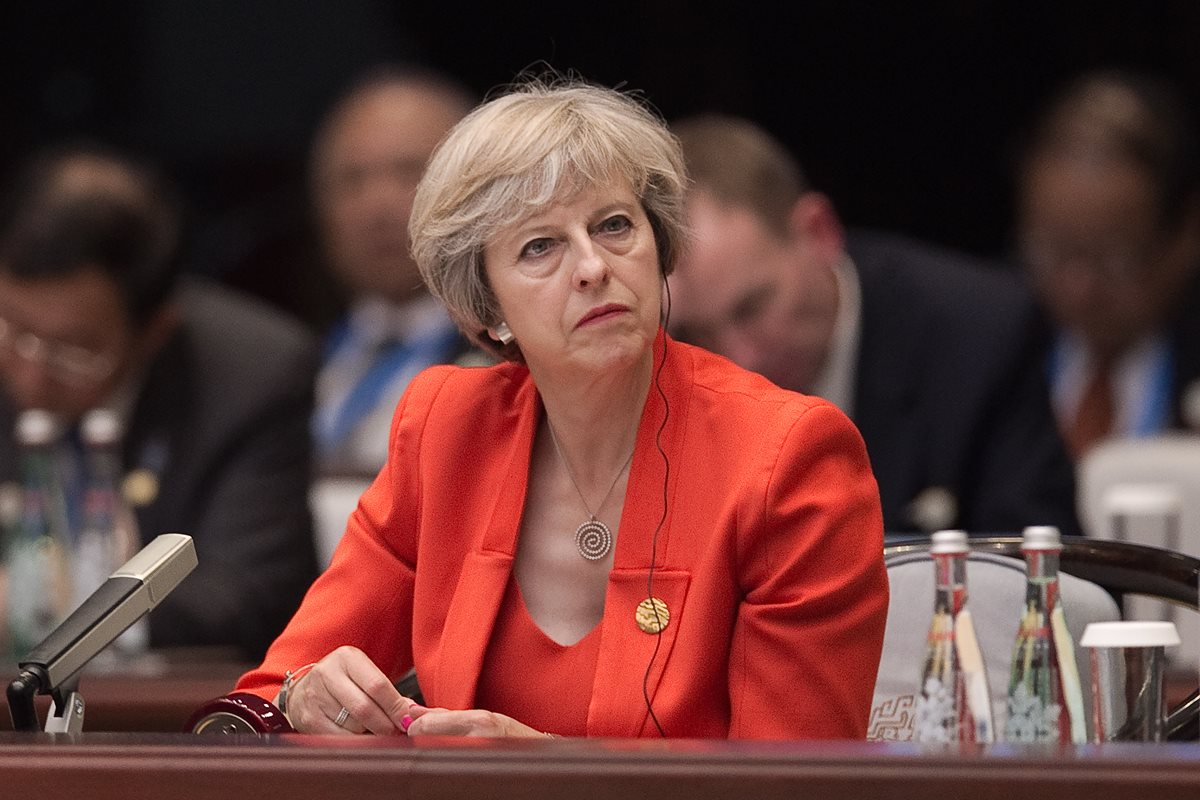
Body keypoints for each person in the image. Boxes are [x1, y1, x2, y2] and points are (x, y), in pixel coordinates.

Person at [235, 79, 889, 740]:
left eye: (613, 225)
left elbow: (795, 779)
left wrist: (552, 773)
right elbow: (264, 695)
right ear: (484, 308)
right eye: (539, 246)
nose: (591, 266)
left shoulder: (787, 458)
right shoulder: (445, 429)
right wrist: (303, 695)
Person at [667, 114, 1079, 535]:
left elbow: (1042, 569)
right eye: (697, 333)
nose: (740, 358)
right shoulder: (660, 383)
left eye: (752, 307)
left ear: (818, 232)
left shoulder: (979, 334)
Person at [0, 143, 319, 660]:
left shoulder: (250, 375)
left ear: (155, 330)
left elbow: (249, 595)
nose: (31, 377)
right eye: (14, 330)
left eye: (74, 351)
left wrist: (62, 610)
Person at [1015, 69, 1200, 459]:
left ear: (1185, 236)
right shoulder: (987, 350)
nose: (1079, 288)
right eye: (1052, 252)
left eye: (1114, 261)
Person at [309, 65, 483, 476]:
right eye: (352, 180)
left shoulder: (521, 362)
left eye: (409, 173)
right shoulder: (293, 361)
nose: (377, 206)